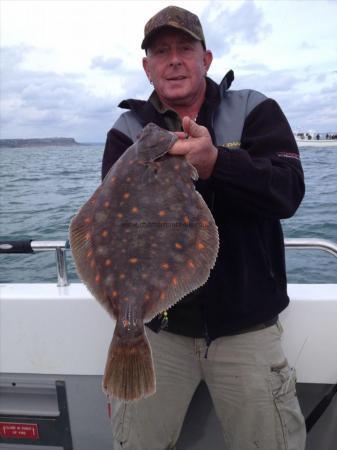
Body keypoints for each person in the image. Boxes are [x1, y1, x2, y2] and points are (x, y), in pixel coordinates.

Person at [102, 5, 306, 450]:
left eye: (184, 49)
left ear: (206, 59)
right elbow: (110, 225)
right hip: (160, 330)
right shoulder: (128, 131)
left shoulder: (254, 110)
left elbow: (288, 191)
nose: (173, 60)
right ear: (147, 67)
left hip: (246, 329)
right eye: (161, 52)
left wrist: (218, 163)